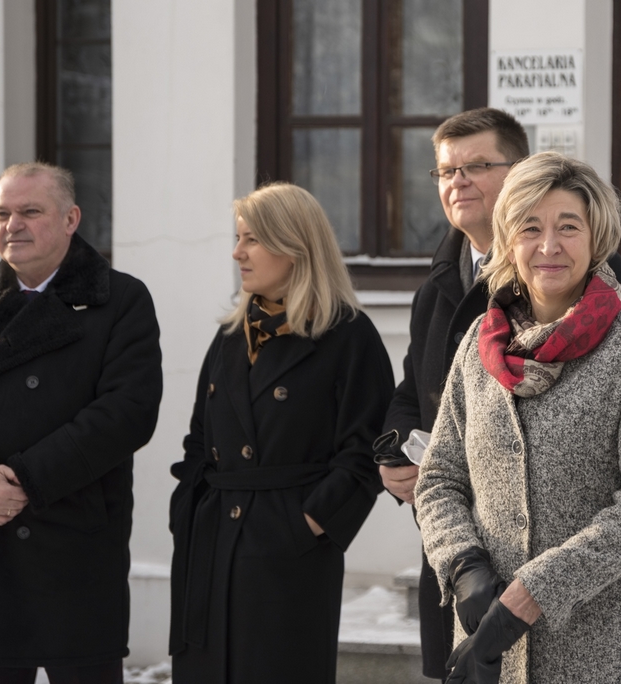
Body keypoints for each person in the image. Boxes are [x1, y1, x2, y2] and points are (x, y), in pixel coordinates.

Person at [377, 107, 621, 680]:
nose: (458, 181)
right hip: (462, 552)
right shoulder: (436, 286)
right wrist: (394, 451)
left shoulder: (583, 271)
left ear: (519, 172)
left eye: (476, 166)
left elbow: (607, 395)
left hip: (561, 564)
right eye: (446, 171)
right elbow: (415, 391)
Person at [414, 151, 621, 683]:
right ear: (508, 239)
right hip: (487, 648)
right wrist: (463, 564)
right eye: (530, 228)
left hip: (601, 654)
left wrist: (533, 593)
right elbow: (440, 477)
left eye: (568, 227)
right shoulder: (477, 346)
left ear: (595, 236)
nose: (548, 246)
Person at [0, 162, 163, 682]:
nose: (12, 225)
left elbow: (127, 412)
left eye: (30, 211)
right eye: (2, 213)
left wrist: (22, 480)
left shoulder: (120, 299)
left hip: (74, 540)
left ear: (71, 219)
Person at [168, 182, 395, 683]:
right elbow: (198, 439)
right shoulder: (231, 336)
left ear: (294, 247)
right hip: (211, 546)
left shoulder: (348, 336)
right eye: (238, 238)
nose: (237, 252)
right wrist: (188, 511)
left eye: (251, 239)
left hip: (288, 554)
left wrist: (304, 526)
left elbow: (365, 454)